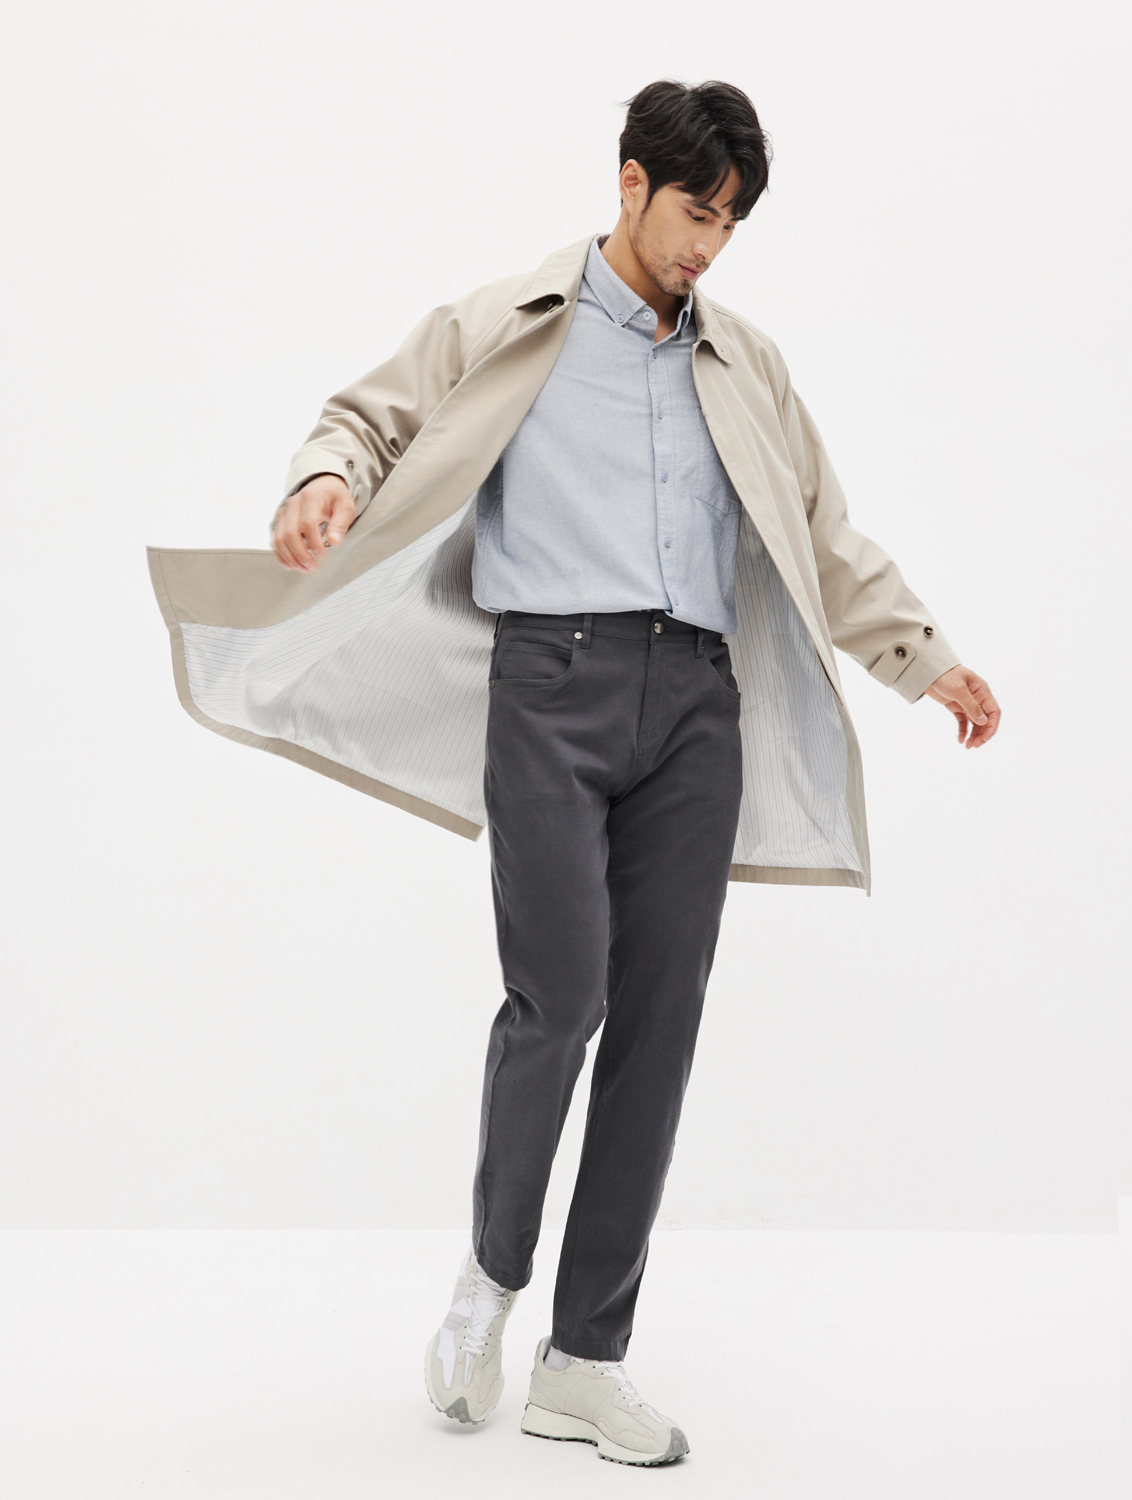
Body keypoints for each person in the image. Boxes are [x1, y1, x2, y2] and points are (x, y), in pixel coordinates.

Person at [149, 79, 1000, 1468]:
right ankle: (488, 1285)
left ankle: (583, 1361)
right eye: (694, 212)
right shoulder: (510, 320)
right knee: (561, 997)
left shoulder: (747, 363)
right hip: (549, 686)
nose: (708, 246)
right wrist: (321, 482)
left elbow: (822, 530)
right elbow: (367, 416)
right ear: (629, 182)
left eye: (730, 224)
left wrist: (927, 660)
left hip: (697, 710)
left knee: (658, 1027)